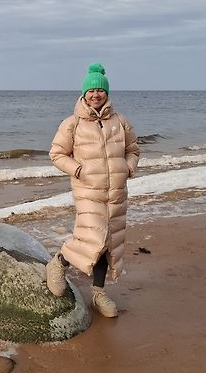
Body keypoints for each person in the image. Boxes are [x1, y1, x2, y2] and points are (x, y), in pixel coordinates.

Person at [47, 63, 140, 318]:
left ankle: (98, 293)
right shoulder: (72, 124)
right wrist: (77, 169)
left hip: (116, 193)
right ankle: (58, 264)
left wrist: (128, 168)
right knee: (92, 238)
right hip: (88, 192)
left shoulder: (120, 122)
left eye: (100, 90)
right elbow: (56, 153)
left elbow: (133, 150)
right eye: (91, 91)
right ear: (84, 94)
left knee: (108, 244)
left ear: (106, 93)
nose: (96, 94)